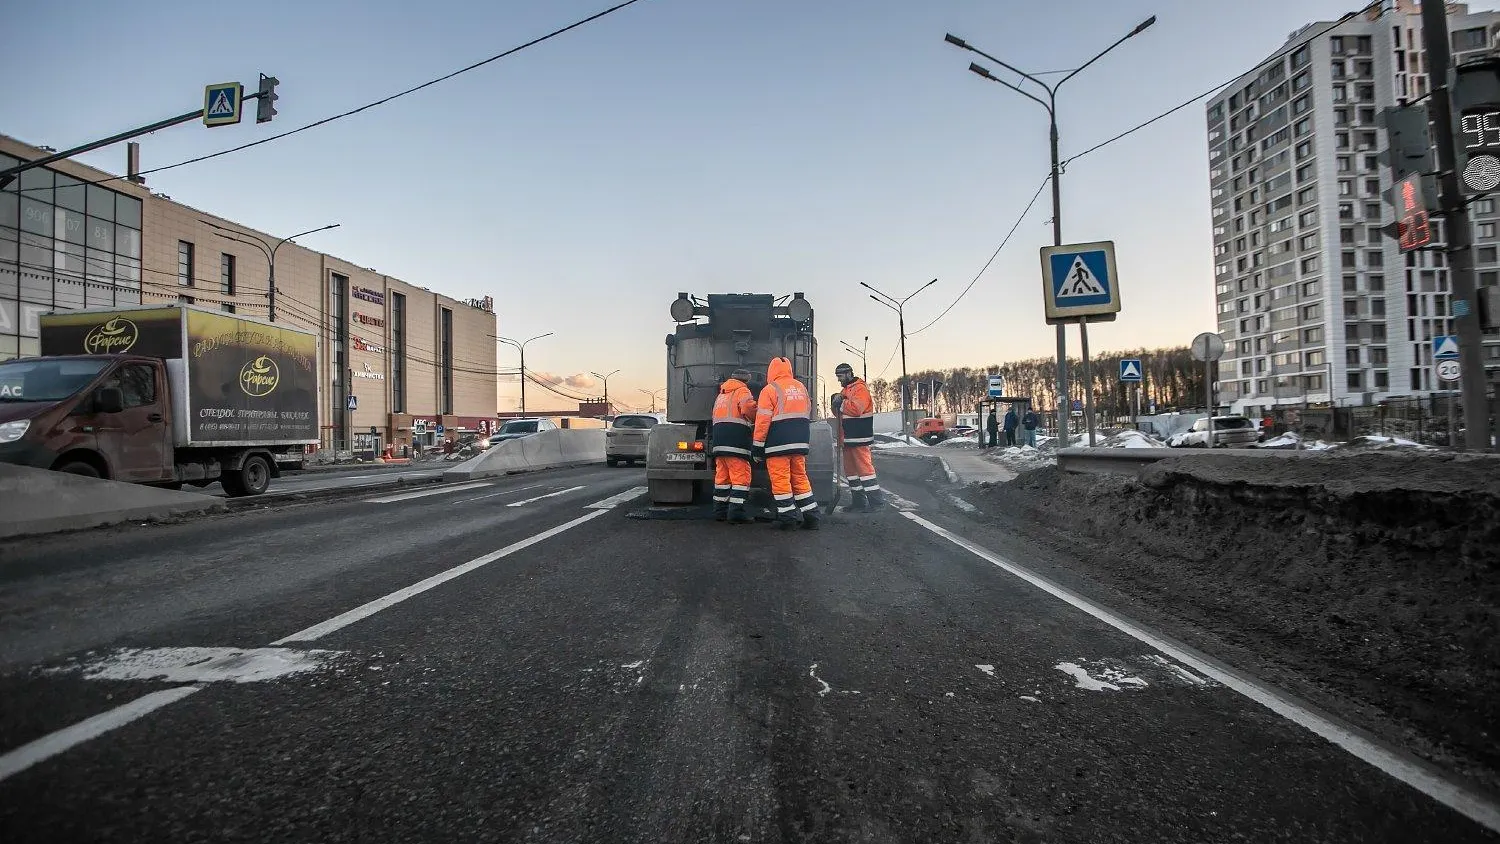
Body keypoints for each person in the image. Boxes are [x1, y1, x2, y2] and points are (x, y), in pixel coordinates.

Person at [751, 356, 818, 530]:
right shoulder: (801, 387)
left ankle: (787, 518)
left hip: (778, 444)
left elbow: (762, 422)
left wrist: (757, 448)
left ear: (771, 371)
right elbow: (807, 411)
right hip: (800, 442)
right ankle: (811, 517)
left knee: (781, 481)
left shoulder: (770, 389)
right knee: (801, 479)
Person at [830, 362, 885, 512]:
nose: (839, 380)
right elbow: (840, 414)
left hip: (859, 437)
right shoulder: (845, 390)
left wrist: (840, 403)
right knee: (851, 472)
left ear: (849, 374)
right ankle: (859, 502)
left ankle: (877, 503)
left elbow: (856, 409)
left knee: (865, 471)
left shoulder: (860, 389)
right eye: (837, 377)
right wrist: (834, 402)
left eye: (840, 376)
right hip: (847, 438)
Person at [710, 369, 758, 524]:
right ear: (746, 380)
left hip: (719, 442)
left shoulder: (721, 395)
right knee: (741, 478)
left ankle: (719, 511)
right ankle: (736, 513)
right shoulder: (743, 391)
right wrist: (759, 416)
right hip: (735, 441)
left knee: (722, 478)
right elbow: (748, 409)